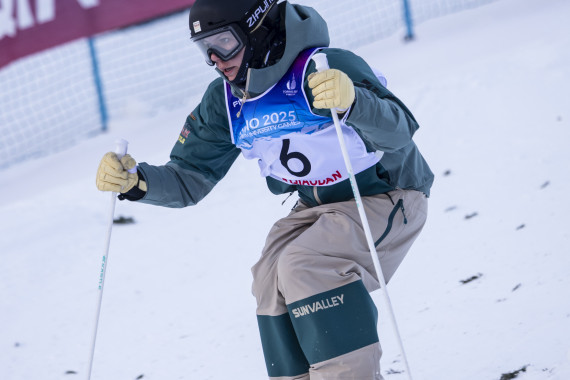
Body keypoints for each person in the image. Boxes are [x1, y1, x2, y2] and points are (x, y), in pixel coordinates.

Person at [96, 0, 434, 378]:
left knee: (305, 264)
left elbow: (400, 129)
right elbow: (189, 176)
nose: (215, 59)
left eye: (223, 42)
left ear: (259, 28)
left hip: (386, 198)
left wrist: (354, 102)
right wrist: (136, 182)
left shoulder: (324, 67)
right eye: (204, 49)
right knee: (270, 275)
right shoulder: (225, 100)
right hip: (316, 209)